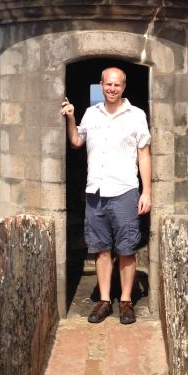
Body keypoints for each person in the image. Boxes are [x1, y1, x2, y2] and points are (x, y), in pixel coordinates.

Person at [61, 67, 151, 325]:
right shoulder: (91, 114)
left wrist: (146, 192)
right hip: (96, 192)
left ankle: (125, 301)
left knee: (126, 250)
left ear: (124, 87)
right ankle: (103, 301)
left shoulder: (136, 115)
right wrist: (71, 117)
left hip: (125, 191)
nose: (112, 88)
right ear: (101, 85)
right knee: (100, 250)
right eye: (108, 84)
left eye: (117, 85)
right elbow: (76, 141)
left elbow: (144, 154)